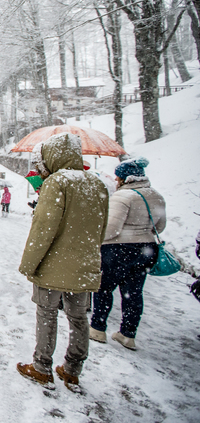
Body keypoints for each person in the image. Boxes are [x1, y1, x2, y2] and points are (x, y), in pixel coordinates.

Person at [17, 134, 109, 392]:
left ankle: (42, 367)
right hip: (84, 265)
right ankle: (72, 369)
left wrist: (28, 264)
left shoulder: (56, 183)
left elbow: (43, 229)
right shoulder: (96, 183)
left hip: (53, 265)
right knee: (78, 317)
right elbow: (100, 229)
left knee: (47, 315)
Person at [89, 157, 166, 351]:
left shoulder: (123, 197)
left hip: (118, 250)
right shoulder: (157, 196)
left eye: (118, 177)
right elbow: (161, 226)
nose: (116, 181)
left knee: (104, 288)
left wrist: (98, 241)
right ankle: (128, 334)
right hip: (145, 251)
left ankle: (98, 327)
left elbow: (111, 229)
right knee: (133, 293)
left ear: (125, 178)